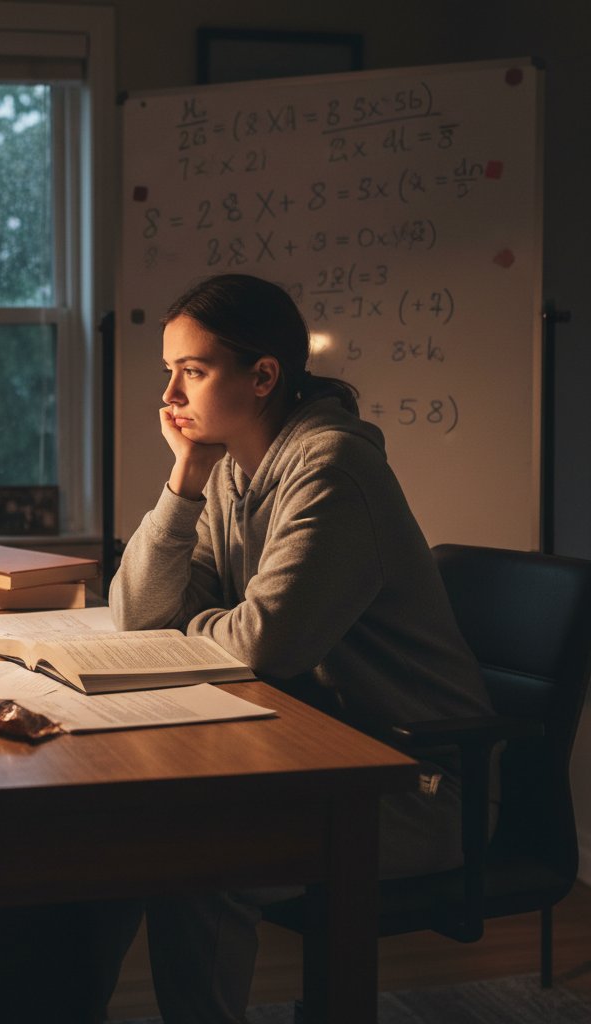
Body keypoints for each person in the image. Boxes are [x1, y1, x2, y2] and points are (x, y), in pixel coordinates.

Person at [108, 273, 496, 1023]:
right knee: (140, 831)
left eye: (192, 371)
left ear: (262, 376)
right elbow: (136, 614)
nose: (170, 397)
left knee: (199, 865)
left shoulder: (334, 470)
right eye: (169, 372)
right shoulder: (234, 472)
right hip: (316, 756)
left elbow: (263, 646)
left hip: (410, 785)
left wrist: (189, 630)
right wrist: (184, 481)